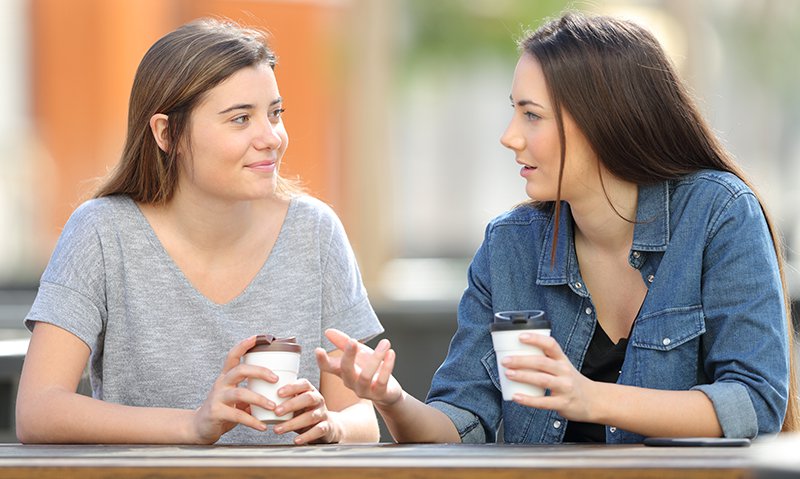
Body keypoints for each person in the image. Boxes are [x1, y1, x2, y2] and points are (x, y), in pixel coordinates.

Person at [317, 11, 798, 443]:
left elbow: (755, 403)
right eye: (514, 111)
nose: (509, 136)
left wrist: (589, 397)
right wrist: (391, 399)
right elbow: (461, 422)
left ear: (604, 121)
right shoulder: (510, 245)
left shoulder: (720, 213)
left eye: (531, 115)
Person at [16, 18, 383, 445]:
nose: (272, 137)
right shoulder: (101, 232)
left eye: (275, 113)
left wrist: (332, 425)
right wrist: (192, 425)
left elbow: (362, 418)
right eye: (241, 119)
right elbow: (38, 409)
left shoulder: (316, 232)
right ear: (166, 132)